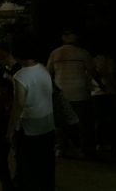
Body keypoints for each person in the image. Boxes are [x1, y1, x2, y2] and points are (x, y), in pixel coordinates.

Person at [8, 33, 55, 191]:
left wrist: (10, 131)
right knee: (45, 165)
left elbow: (18, 105)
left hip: (29, 127)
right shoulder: (43, 69)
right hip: (47, 123)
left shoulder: (20, 75)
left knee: (27, 166)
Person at [46, 28, 101, 157]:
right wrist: (100, 84)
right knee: (83, 123)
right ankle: (85, 149)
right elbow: (92, 71)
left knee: (61, 124)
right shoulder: (83, 53)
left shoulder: (55, 53)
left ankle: (61, 148)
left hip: (61, 91)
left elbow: (48, 72)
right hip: (80, 92)